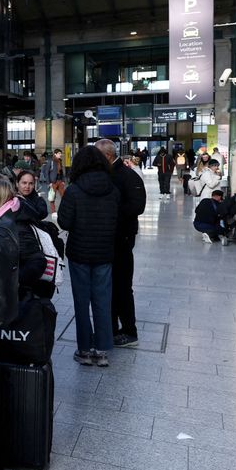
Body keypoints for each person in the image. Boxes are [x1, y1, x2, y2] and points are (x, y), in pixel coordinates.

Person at [57, 146, 120, 367]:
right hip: (104, 253)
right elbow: (117, 221)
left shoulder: (74, 190)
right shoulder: (112, 189)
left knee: (81, 303)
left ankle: (84, 350)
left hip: (79, 254)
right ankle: (102, 351)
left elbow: (64, 222)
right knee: (103, 301)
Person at [94, 139, 146, 349]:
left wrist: (109, 214)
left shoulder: (126, 175)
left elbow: (137, 206)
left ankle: (129, 331)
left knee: (122, 286)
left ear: (107, 156)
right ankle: (112, 329)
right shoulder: (108, 174)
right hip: (109, 238)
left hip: (122, 239)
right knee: (110, 286)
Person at [14, 170, 51, 296]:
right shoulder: (11, 199)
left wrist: (23, 204)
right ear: (17, 183)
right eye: (24, 183)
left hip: (33, 247)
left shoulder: (37, 200)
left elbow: (42, 212)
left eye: (30, 183)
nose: (27, 186)